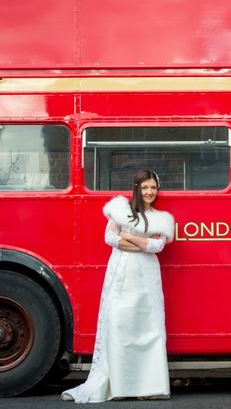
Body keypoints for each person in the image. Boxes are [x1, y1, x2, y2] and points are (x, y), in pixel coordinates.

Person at [62, 169, 174, 403]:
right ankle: (121, 386)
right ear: (136, 187)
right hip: (122, 274)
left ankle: (147, 386)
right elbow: (110, 239)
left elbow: (157, 247)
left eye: (153, 187)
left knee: (147, 328)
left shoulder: (161, 218)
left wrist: (129, 236)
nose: (149, 192)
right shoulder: (121, 210)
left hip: (147, 277)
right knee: (121, 324)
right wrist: (142, 242)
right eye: (145, 187)